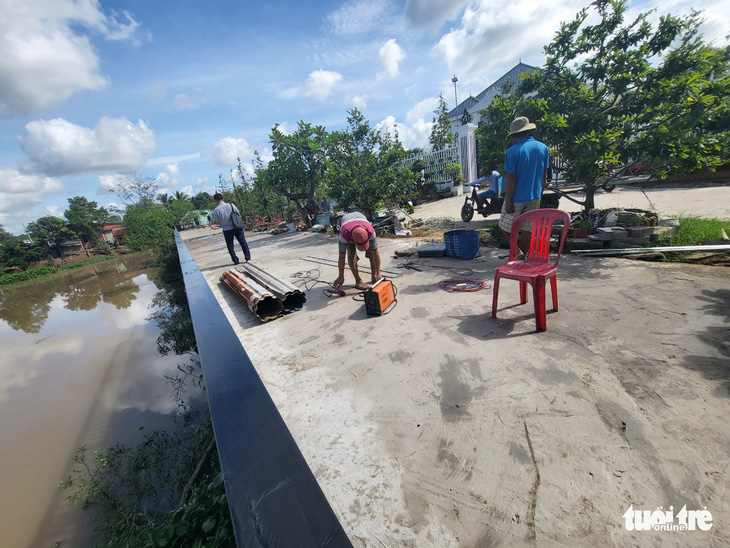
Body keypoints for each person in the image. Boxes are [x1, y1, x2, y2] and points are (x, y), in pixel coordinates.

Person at [499, 116, 549, 255]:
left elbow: (511, 178)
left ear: (514, 134)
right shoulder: (543, 148)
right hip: (535, 195)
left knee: (504, 227)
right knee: (528, 229)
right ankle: (523, 257)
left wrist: (508, 200)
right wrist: (540, 193)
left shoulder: (513, 151)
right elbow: (544, 174)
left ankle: (518, 253)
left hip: (517, 197)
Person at [333, 212, 381, 292]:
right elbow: (342, 257)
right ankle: (358, 280)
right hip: (348, 227)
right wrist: (341, 276)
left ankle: (374, 275)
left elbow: (375, 253)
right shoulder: (344, 236)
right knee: (352, 256)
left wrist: (378, 272)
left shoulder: (371, 232)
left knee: (372, 252)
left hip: (361, 221)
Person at [211, 193, 251, 265]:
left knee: (230, 245)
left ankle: (235, 260)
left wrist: (221, 222)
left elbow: (216, 221)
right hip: (236, 227)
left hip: (226, 229)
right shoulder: (231, 205)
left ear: (215, 201)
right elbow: (238, 214)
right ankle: (247, 258)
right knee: (243, 243)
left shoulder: (216, 210)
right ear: (223, 199)